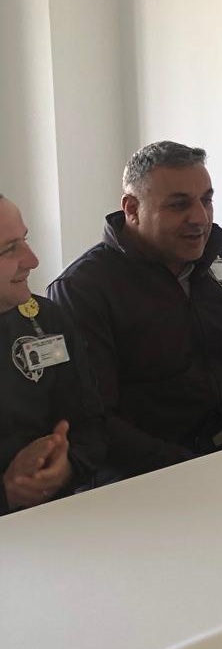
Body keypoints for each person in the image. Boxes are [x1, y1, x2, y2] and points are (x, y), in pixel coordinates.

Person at [49, 141, 222, 481]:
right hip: (150, 482)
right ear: (132, 209)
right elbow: (96, 420)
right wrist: (195, 470)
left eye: (206, 200)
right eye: (179, 205)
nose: (200, 218)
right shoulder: (83, 289)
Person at [1, 193, 105, 515]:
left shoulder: (47, 320)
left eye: (25, 240)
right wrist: (7, 493)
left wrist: (66, 466)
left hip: (57, 521)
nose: (32, 260)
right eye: (10, 249)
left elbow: (91, 426)